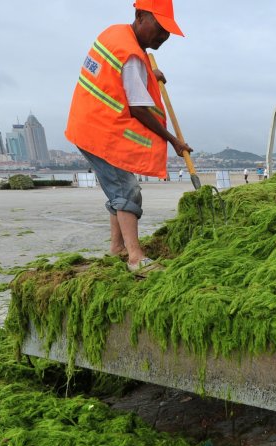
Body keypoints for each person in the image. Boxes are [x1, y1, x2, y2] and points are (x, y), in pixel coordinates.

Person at [64, 0, 192, 273]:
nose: (164, 36)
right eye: (160, 28)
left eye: (168, 31)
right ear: (140, 16)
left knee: (117, 189)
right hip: (101, 131)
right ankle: (135, 257)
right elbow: (138, 108)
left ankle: (117, 248)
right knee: (127, 190)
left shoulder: (115, 35)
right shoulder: (132, 56)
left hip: (87, 124)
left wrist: (149, 71)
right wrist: (173, 140)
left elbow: (121, 73)